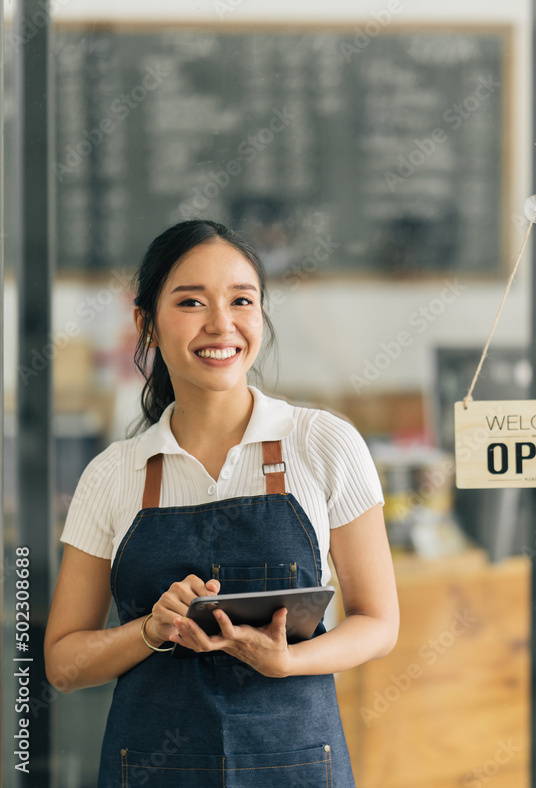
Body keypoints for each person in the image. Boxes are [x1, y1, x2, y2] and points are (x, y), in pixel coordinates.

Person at [44, 219, 398, 787]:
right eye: (190, 302)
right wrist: (149, 631)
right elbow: (63, 665)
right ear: (146, 323)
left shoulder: (323, 443)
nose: (221, 324)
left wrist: (289, 661)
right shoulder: (112, 475)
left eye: (242, 300)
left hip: (297, 766)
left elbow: (379, 623)